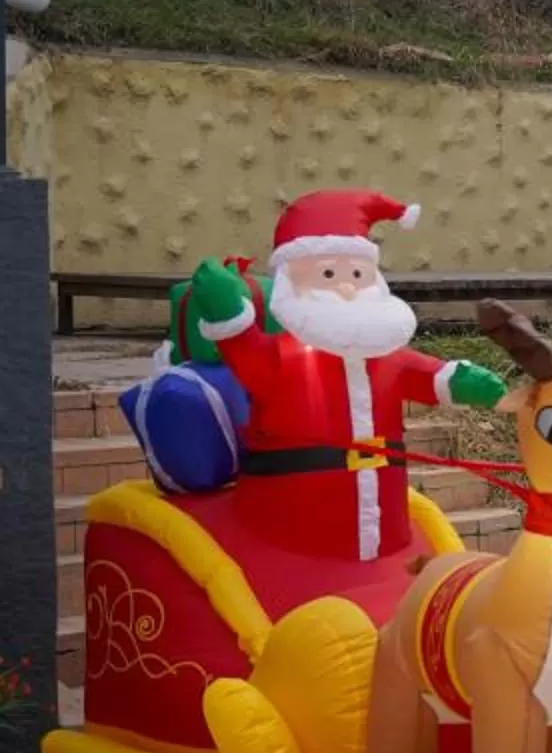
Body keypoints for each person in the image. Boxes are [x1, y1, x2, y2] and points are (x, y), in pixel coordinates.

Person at [186, 189, 507, 564]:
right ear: (291, 281)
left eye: (357, 274)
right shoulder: (282, 357)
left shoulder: (386, 355)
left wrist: (460, 380)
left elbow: (427, 375)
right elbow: (245, 352)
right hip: (293, 536)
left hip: (389, 535)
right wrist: (227, 316)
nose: (345, 286)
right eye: (327, 274)